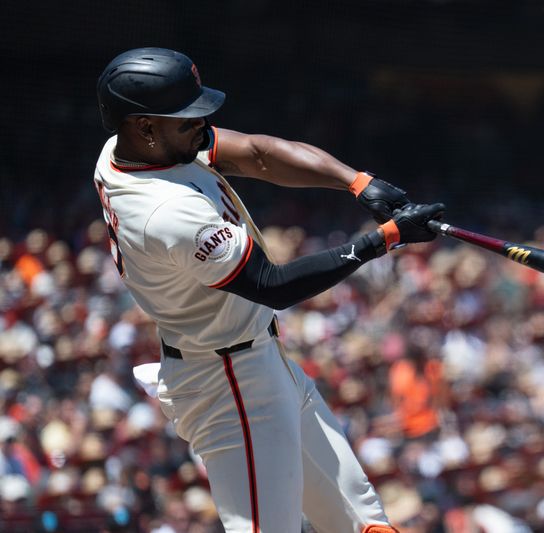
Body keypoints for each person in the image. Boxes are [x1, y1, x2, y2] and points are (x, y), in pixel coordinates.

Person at [93, 47, 445, 533]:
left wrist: (358, 183)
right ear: (144, 127)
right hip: (229, 384)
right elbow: (272, 286)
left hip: (258, 360)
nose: (201, 124)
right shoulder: (166, 212)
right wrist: (386, 239)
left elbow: (256, 153)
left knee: (366, 525)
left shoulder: (128, 151)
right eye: (185, 119)